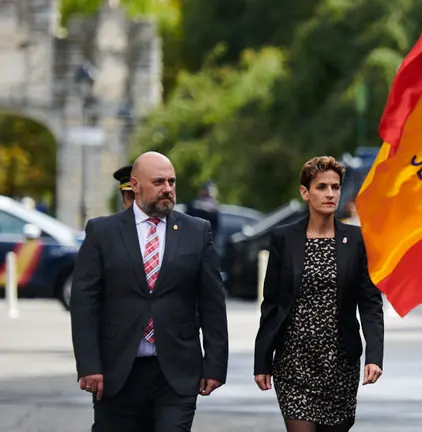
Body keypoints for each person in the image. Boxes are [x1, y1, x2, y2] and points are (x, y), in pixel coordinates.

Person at [69, 151, 229, 431]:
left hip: (177, 371)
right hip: (117, 371)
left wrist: (214, 365)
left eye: (171, 181)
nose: (167, 189)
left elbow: (212, 303)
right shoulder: (102, 232)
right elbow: (85, 304)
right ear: (135, 184)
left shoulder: (197, 231)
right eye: (158, 182)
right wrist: (88, 364)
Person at [253, 156, 384, 432]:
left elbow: (370, 302)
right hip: (294, 361)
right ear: (305, 192)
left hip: (340, 362)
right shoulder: (284, 239)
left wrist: (375, 354)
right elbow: (272, 304)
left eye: (335, 188)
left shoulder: (356, 240)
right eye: (322, 187)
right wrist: (262, 360)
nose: (330, 194)